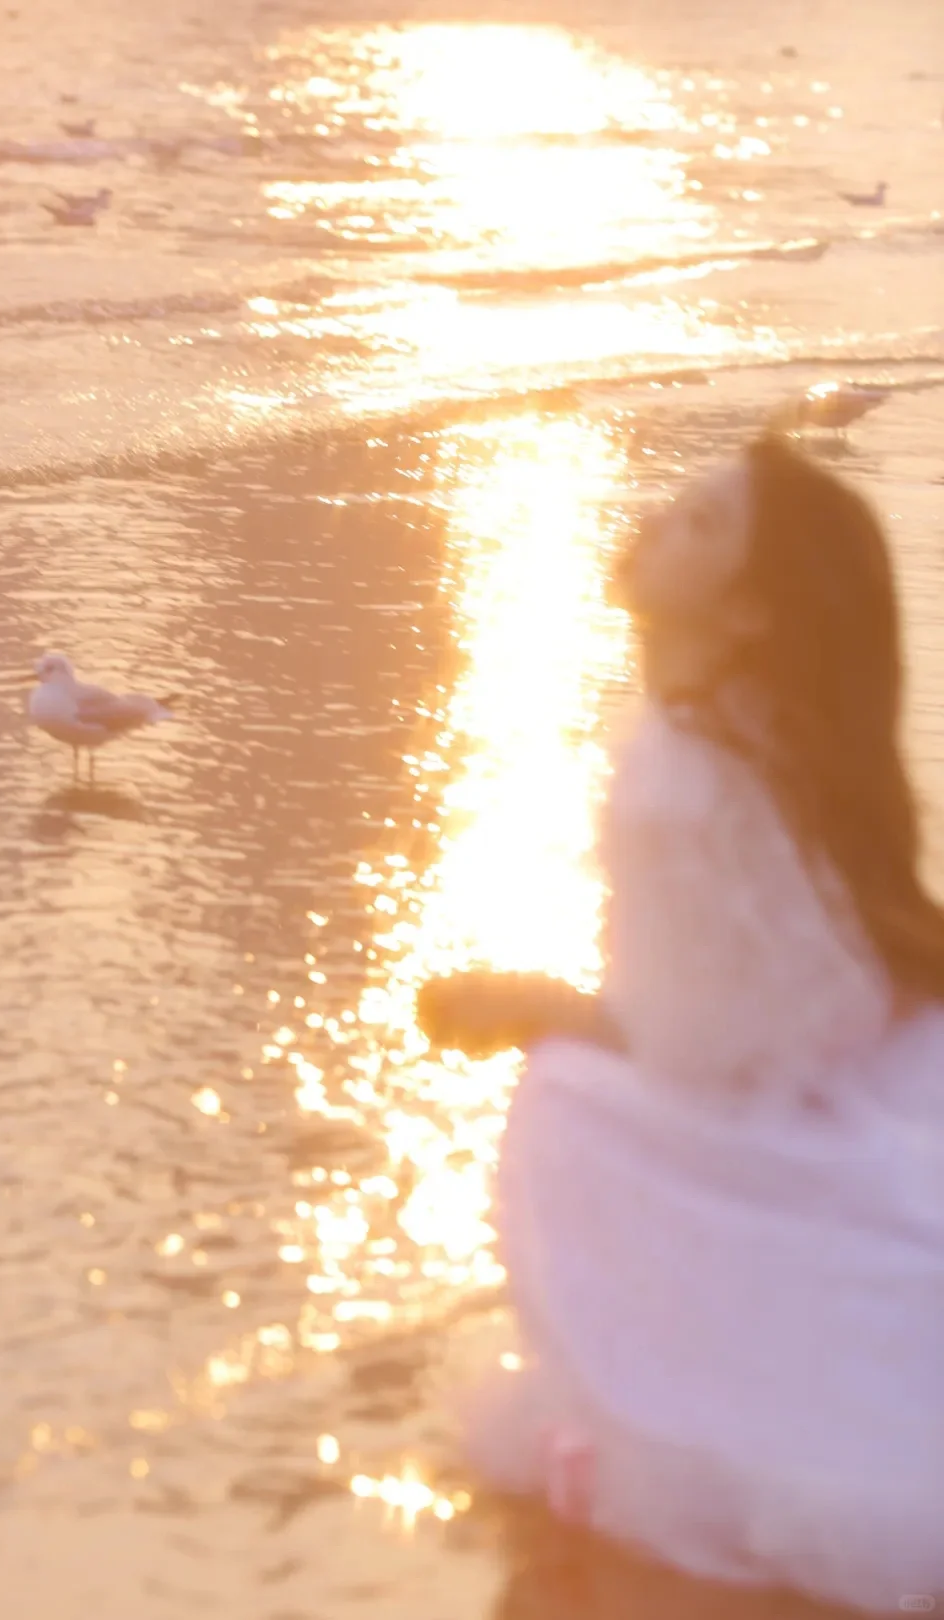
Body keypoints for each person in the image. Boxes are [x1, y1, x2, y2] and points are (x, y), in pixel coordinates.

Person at [417, 435, 944, 1618]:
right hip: (834, 1057)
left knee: (559, 1099)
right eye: (677, 504)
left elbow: (724, 1039)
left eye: (704, 527)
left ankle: (712, 1374)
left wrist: (556, 1014)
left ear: (750, 615)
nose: (658, 523)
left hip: (783, 1080)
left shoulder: (681, 775)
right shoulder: (734, 734)